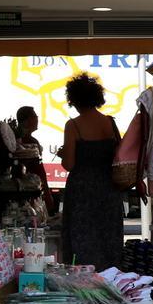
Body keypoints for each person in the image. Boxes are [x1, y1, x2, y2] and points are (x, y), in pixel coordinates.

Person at [59, 74, 123, 270]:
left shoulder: (73, 126)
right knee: (108, 238)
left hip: (82, 191)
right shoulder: (109, 123)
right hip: (108, 189)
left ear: (74, 99)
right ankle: (110, 280)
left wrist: (64, 154)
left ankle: (84, 285)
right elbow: (119, 155)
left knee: (82, 240)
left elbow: (69, 164)